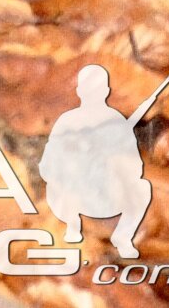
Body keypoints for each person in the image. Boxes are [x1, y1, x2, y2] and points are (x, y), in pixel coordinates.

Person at [39, 64, 153, 258]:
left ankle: (124, 237)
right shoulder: (68, 120)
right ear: (80, 91)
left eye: (98, 89)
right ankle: (72, 232)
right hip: (76, 192)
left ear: (106, 91)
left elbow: (135, 163)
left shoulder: (116, 120)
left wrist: (112, 157)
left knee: (143, 189)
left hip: (109, 192)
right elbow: (48, 162)